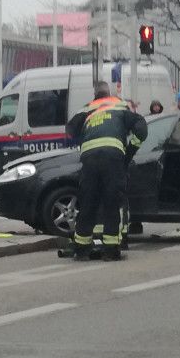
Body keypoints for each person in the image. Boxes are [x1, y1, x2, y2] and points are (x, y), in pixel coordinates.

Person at [64, 81, 148, 261]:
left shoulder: (87, 109)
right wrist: (129, 152)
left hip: (89, 158)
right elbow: (141, 129)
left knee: (88, 202)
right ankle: (110, 250)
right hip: (113, 157)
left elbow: (70, 129)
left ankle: (81, 249)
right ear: (108, 93)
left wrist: (84, 138)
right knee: (112, 201)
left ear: (95, 94)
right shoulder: (119, 106)